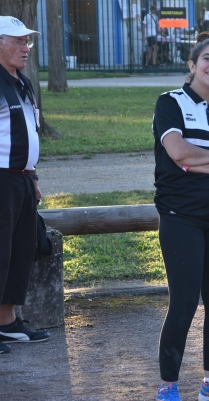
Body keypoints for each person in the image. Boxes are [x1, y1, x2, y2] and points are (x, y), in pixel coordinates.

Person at [152, 32, 209, 401]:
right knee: (185, 300)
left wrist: (197, 160)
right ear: (192, 65)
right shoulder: (170, 102)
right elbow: (177, 152)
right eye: (207, 59)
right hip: (181, 215)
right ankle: (169, 386)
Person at [0, 16, 51, 355]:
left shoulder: (22, 82)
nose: (26, 47)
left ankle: (7, 323)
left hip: (21, 179)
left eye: (27, 41)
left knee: (18, 253)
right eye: (17, 41)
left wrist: (32, 177)